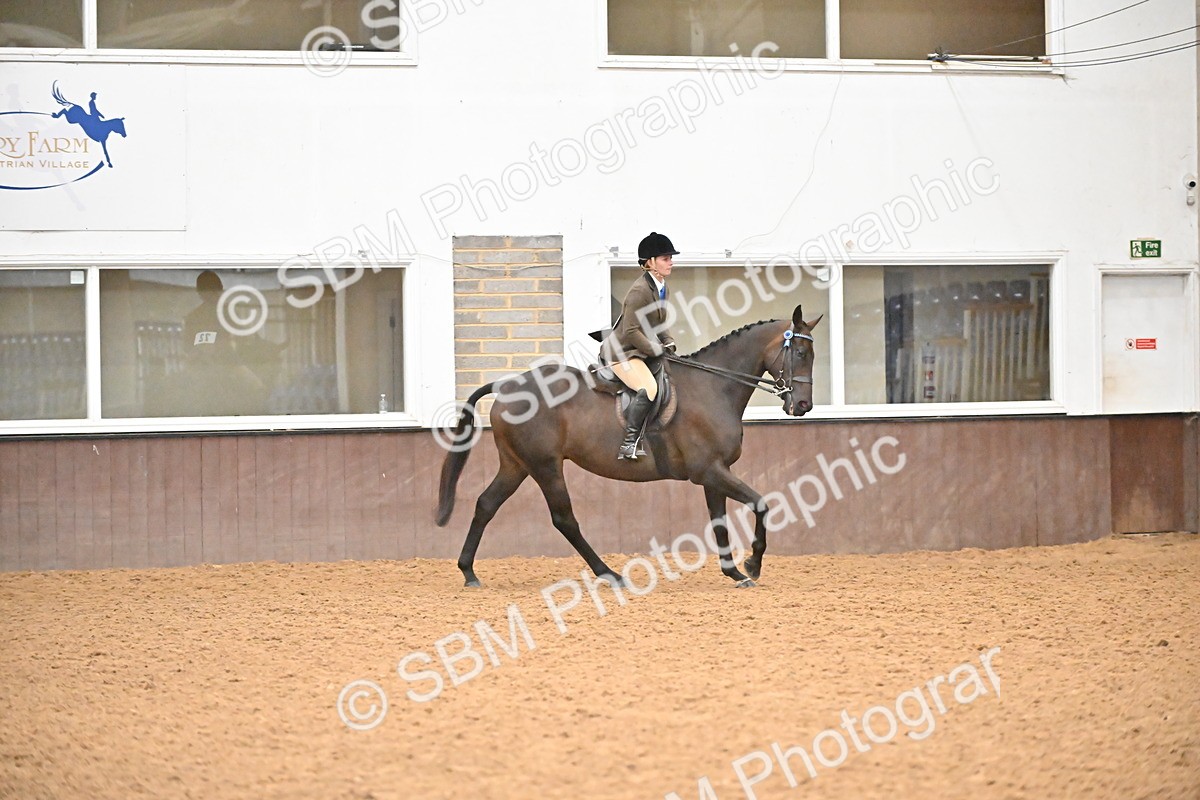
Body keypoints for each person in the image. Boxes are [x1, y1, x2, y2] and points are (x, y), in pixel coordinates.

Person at [601, 231, 678, 460]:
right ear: (650, 263)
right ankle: (629, 442)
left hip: (637, 351)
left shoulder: (661, 286)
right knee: (649, 389)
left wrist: (668, 341)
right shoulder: (639, 291)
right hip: (621, 353)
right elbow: (631, 331)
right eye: (665, 258)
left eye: (670, 258)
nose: (670, 262)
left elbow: (659, 321)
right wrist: (655, 349)